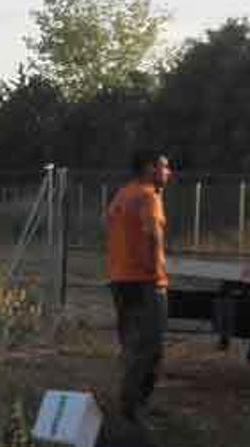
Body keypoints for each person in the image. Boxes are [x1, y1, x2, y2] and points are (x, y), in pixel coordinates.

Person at [106, 150, 173, 426]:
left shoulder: (122, 195)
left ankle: (135, 403)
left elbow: (110, 228)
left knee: (132, 345)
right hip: (146, 282)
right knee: (151, 348)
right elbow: (152, 234)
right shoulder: (148, 195)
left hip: (120, 280)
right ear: (149, 168)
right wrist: (157, 272)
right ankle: (134, 407)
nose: (168, 173)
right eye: (164, 167)